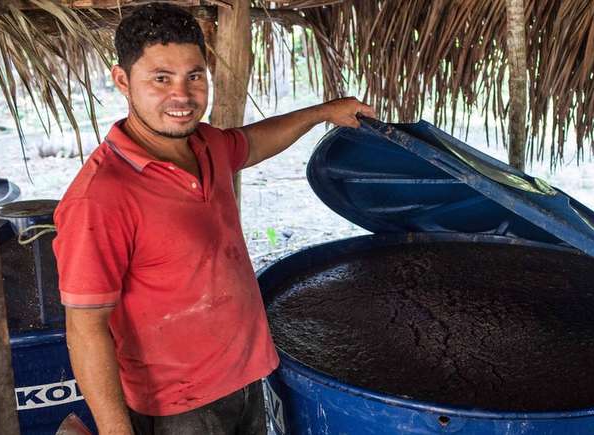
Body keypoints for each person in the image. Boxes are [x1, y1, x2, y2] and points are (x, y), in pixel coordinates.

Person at [52, 3, 375, 434]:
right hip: (177, 407)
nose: (182, 96)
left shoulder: (205, 145)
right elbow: (85, 329)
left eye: (195, 76)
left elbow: (253, 142)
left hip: (247, 376)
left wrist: (322, 112)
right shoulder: (100, 198)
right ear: (122, 81)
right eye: (161, 79)